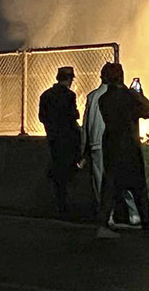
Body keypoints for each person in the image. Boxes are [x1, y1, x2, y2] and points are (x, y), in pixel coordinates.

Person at [96, 63, 149, 238]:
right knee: (138, 187)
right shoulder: (130, 96)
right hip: (130, 146)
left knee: (110, 187)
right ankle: (147, 225)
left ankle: (103, 225)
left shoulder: (104, 99)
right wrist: (139, 94)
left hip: (112, 147)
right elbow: (148, 113)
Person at [80, 63, 140, 226]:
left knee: (101, 182)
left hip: (96, 146)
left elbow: (86, 126)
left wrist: (83, 150)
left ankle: (108, 216)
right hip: (117, 144)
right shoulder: (121, 95)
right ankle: (135, 214)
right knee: (127, 177)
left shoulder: (93, 96)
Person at [39, 66, 82, 219]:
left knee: (57, 168)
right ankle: (67, 207)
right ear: (70, 79)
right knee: (70, 170)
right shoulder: (69, 95)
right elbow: (73, 115)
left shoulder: (45, 95)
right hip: (68, 139)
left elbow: (41, 117)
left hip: (53, 138)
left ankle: (60, 204)